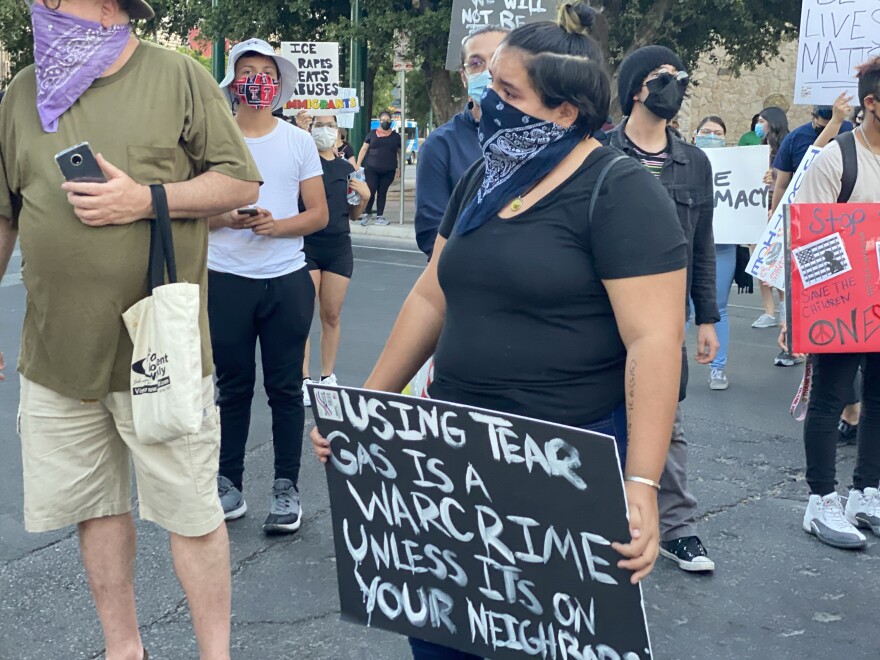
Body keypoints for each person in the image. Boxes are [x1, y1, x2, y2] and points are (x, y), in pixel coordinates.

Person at [313, 4, 688, 658]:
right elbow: (432, 296)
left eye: (508, 91)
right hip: (452, 453)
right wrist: (366, 407)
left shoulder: (621, 193)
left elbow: (653, 342)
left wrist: (643, 483)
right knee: (441, 638)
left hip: (560, 465)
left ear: (565, 112)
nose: (488, 101)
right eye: (488, 84)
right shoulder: (484, 176)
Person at [0, 1, 262, 658]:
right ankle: (125, 649)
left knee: (193, 512)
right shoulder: (22, 91)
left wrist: (144, 198)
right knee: (95, 505)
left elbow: (238, 181)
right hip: (59, 357)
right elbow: (5, 215)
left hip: (161, 355)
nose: (42, 6)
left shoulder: (176, 76)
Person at [607, 45, 720, 573]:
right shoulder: (598, 151)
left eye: (680, 75)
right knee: (596, 415)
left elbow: (703, 247)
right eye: (661, 76)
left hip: (664, 318)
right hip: (599, 311)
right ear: (636, 89)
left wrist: (709, 319)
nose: (674, 84)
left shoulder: (694, 163)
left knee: (665, 421)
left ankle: (677, 528)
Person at [209, 39, 328, 534]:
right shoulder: (214, 141)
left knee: (284, 389)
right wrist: (229, 219)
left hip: (285, 280)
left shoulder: (298, 141)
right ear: (233, 81)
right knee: (232, 389)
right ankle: (228, 484)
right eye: (247, 70)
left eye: (267, 71)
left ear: (279, 84)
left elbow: (319, 214)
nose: (257, 79)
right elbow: (196, 213)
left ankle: (286, 489)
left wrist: (277, 226)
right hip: (226, 279)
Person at [779, 56, 880, 550]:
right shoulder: (836, 160)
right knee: (831, 398)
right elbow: (809, 242)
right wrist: (802, 317)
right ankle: (821, 500)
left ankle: (867, 491)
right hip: (843, 304)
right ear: (871, 104)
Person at [413, 25, 508, 258]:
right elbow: (431, 234)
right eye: (476, 63)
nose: (488, 71)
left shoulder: (545, 137)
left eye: (497, 59)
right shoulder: (439, 146)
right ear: (464, 77)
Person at [301, 114, 369, 404]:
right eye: (319, 125)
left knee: (331, 314)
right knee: (303, 314)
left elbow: (353, 213)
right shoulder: (304, 164)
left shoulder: (348, 169)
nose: (325, 130)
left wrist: (364, 198)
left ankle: (327, 375)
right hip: (306, 246)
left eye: (330, 125)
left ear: (339, 133)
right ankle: (303, 378)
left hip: (339, 247)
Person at [694, 116, 736, 390]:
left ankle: (718, 368)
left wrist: (765, 180)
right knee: (679, 312)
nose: (712, 136)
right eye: (706, 132)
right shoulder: (683, 161)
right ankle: (670, 367)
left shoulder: (739, 165)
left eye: (717, 132)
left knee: (718, 308)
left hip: (722, 245)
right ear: (695, 134)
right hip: (686, 243)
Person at [750, 106, 790, 333]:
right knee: (759, 262)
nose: (759, 125)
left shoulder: (786, 147)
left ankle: (784, 308)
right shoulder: (761, 148)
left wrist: (774, 177)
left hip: (775, 211)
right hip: (759, 209)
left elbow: (789, 179)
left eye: (762, 120)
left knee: (777, 262)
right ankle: (768, 311)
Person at [356, 110, 400, 226]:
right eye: (383, 120)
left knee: (382, 192)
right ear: (379, 121)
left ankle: (380, 216)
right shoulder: (372, 134)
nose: (385, 122)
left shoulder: (396, 136)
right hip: (371, 168)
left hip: (389, 169)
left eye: (387, 120)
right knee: (371, 190)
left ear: (391, 121)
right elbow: (363, 149)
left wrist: (400, 168)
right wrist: (357, 164)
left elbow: (400, 153)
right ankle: (368, 214)